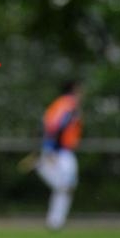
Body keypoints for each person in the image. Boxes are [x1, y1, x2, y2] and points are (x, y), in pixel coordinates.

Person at [36, 80, 83, 230]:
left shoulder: (65, 104)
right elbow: (54, 127)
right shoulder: (67, 105)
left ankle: (55, 222)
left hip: (63, 151)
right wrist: (50, 149)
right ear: (74, 89)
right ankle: (55, 222)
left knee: (66, 187)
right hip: (60, 151)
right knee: (65, 185)